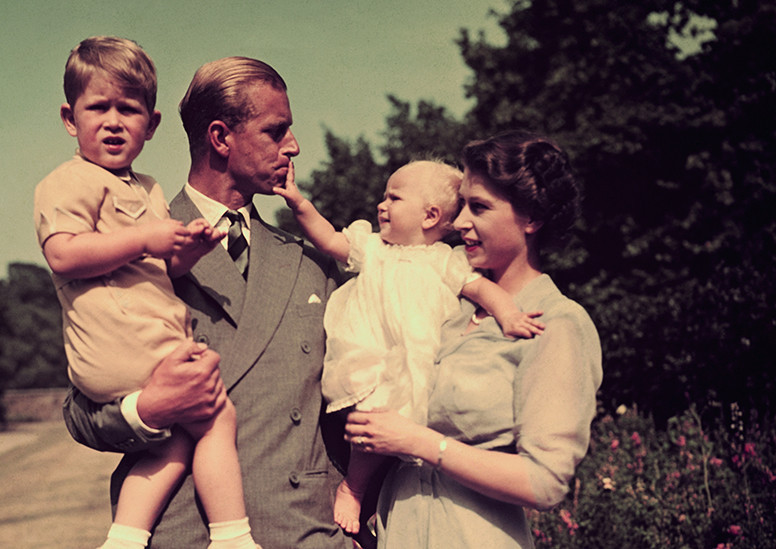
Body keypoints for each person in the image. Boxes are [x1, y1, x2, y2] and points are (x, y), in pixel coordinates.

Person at [62, 56, 351, 549]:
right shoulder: (122, 247)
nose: (294, 147)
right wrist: (149, 409)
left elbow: (353, 402)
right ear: (220, 138)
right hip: (186, 535)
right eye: (276, 131)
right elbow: (81, 412)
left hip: (304, 533)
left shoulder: (309, 262)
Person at [34, 37, 257, 549]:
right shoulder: (66, 183)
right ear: (71, 118)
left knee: (173, 441)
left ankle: (125, 538)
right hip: (122, 344)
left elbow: (164, 263)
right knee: (218, 415)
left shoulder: (147, 187)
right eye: (99, 108)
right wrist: (145, 236)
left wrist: (189, 248)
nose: (113, 122)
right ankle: (233, 537)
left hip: (138, 345)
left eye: (129, 110)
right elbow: (63, 254)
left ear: (151, 125)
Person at [342, 131, 603, 548]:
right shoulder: (442, 307)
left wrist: (420, 442)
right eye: (461, 204)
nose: (460, 221)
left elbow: (546, 482)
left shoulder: (557, 323)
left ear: (531, 219)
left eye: (479, 207)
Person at [274, 158, 545, 535]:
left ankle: (378, 507)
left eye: (394, 198)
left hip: (417, 364)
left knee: (405, 433)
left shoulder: (444, 261)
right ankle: (353, 487)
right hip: (368, 358)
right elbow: (330, 239)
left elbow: (482, 289)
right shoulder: (372, 249)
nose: (381, 205)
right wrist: (300, 204)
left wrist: (509, 314)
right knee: (373, 421)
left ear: (430, 215)